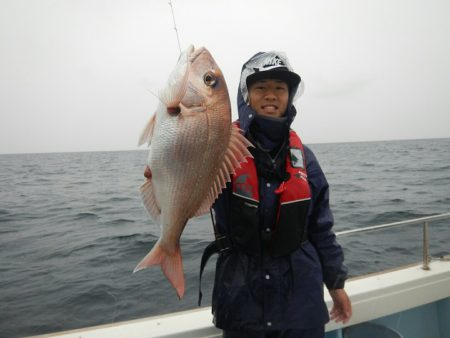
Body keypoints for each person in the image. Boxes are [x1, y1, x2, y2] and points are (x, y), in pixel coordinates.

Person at [205, 51, 352, 338]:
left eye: (279, 88)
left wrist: (336, 286)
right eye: (260, 88)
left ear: (290, 95)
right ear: (245, 95)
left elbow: (321, 228)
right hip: (241, 302)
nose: (270, 95)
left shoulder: (305, 159)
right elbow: (188, 184)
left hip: (301, 304)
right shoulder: (218, 149)